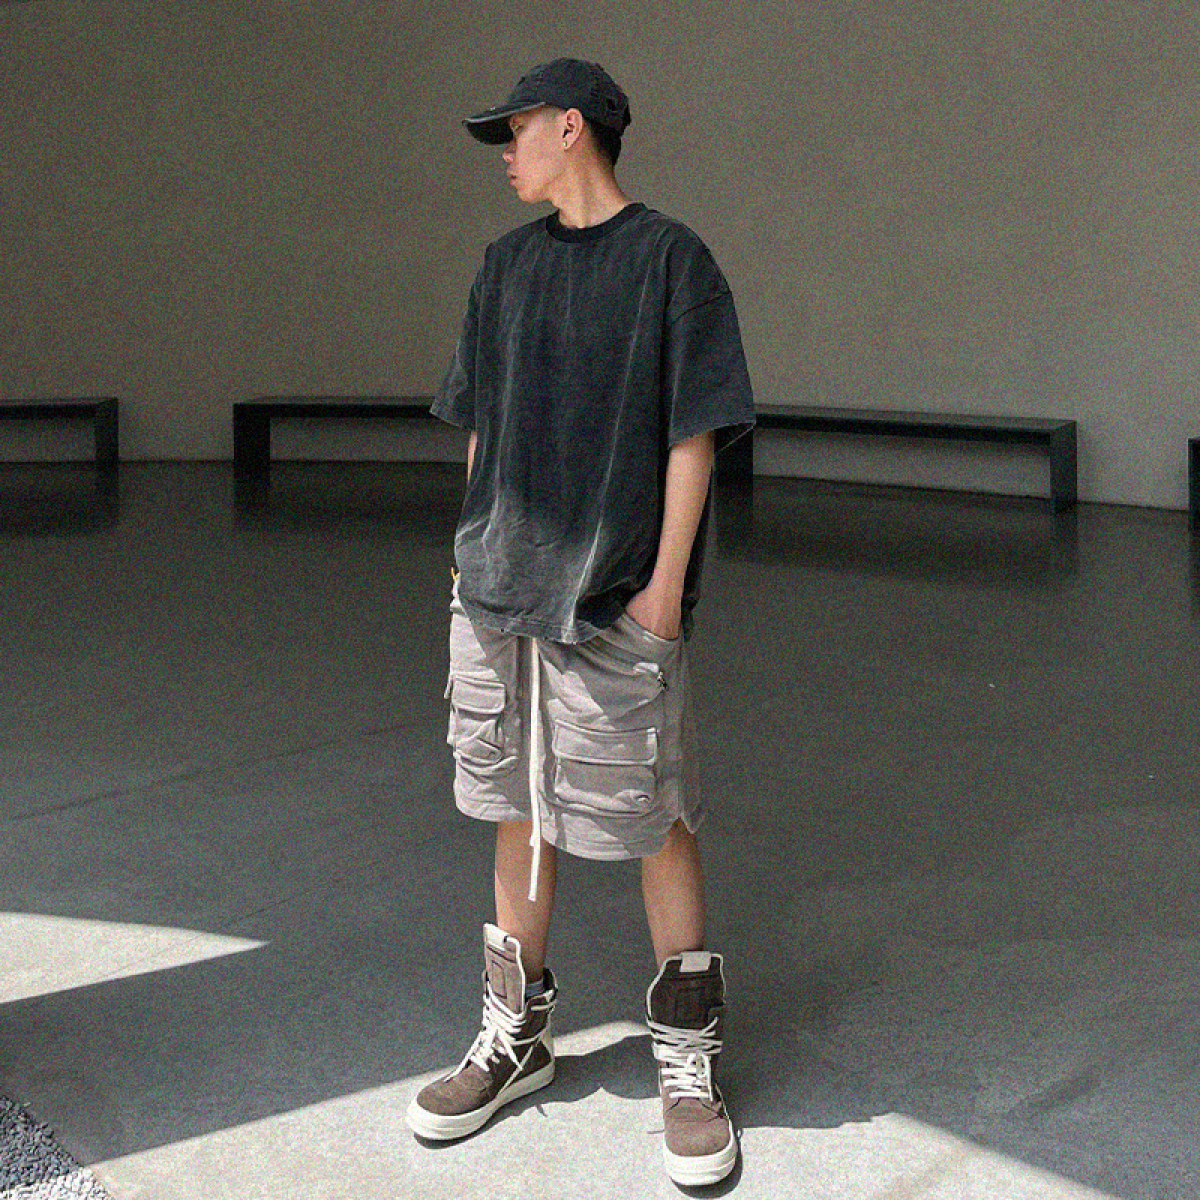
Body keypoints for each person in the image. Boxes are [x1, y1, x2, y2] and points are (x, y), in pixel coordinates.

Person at [406, 58, 755, 1187]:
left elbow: (694, 432)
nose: (503, 155)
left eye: (513, 132)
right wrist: (471, 548)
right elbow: (480, 422)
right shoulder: (505, 266)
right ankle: (515, 1036)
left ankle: (688, 1059)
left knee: (654, 812)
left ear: (571, 127)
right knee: (516, 801)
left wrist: (662, 593)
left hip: (615, 597)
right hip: (497, 589)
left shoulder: (671, 261)